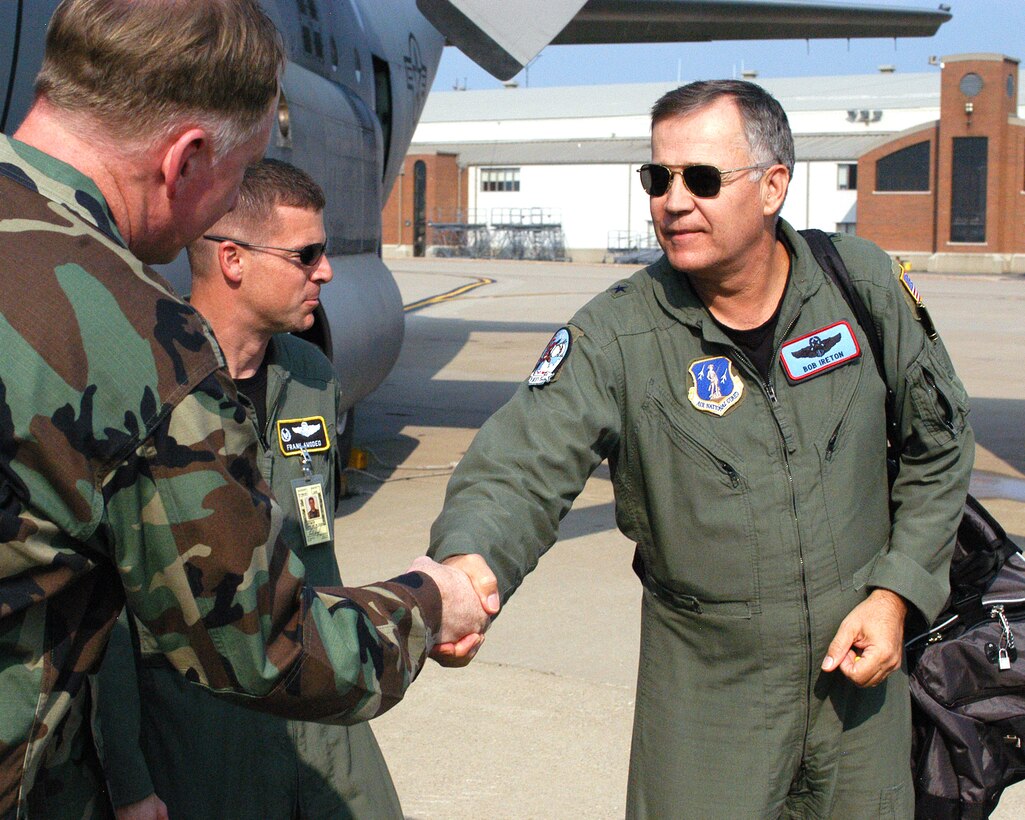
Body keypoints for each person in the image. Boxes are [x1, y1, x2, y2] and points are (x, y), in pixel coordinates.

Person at [428, 79, 974, 818]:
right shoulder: (616, 336)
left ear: (773, 184)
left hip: (860, 688)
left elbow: (938, 445)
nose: (672, 201)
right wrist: (468, 562)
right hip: (707, 699)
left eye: (702, 179)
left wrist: (896, 593)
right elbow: (519, 466)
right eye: (658, 178)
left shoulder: (863, 288)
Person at [0, 2, 490, 816]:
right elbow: (262, 644)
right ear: (187, 157)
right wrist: (430, 603)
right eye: (239, 171)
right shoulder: (135, 343)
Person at [93, 159, 405, 820]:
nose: (325, 271)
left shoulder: (313, 375)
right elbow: (108, 610)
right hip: (198, 712)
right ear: (233, 259)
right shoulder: (146, 384)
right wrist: (127, 775)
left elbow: (316, 541)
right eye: (306, 255)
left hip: (313, 687)